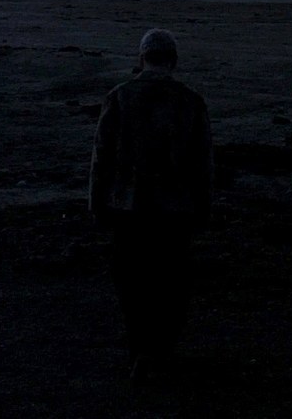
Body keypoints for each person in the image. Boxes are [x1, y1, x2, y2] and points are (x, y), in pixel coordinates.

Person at [89, 29, 213, 383]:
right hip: (175, 210)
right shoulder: (191, 101)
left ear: (141, 58)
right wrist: (204, 208)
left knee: (133, 284)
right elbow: (203, 163)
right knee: (171, 284)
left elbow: (101, 157)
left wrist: (96, 203)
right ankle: (162, 351)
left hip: (129, 208)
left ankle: (141, 351)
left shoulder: (119, 97)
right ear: (173, 60)